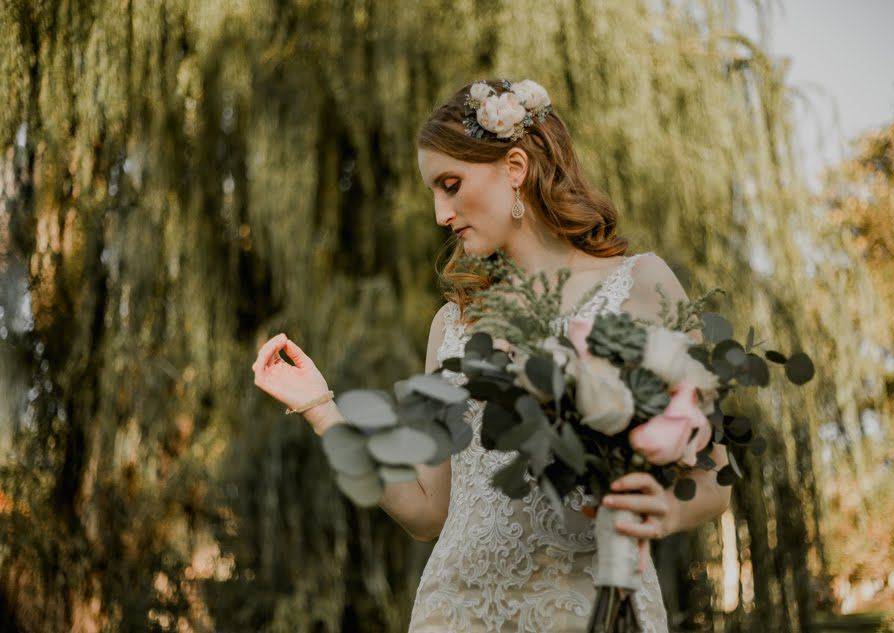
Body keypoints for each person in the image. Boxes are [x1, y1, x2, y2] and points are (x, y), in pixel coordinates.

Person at [251, 78, 732, 632]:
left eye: (450, 185)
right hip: (454, 614)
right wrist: (321, 409)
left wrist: (662, 510)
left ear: (515, 168)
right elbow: (427, 512)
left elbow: (714, 476)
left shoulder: (643, 283)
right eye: (433, 192)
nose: (440, 214)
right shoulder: (451, 326)